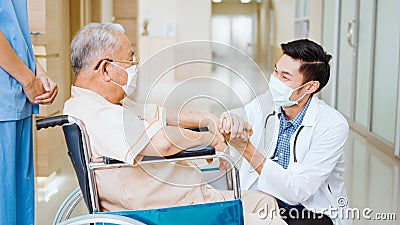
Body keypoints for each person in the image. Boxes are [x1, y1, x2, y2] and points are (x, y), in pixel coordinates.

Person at [64, 23, 286, 225]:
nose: (134, 67)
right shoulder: (93, 111)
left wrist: (210, 121)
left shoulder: (112, 103)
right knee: (269, 221)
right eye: (130, 60)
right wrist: (209, 138)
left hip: (189, 198)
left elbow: (163, 115)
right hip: (166, 212)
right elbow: (163, 143)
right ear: (105, 69)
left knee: (264, 202)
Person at [219, 39, 351, 225]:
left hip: (308, 210)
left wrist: (246, 149)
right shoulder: (267, 102)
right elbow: (241, 114)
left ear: (310, 87)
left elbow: (299, 191)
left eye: (285, 77)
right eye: (275, 71)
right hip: (264, 197)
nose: (275, 80)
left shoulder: (332, 125)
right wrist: (230, 120)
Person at [0, 1, 58, 224]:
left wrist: (37, 73)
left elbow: (16, 29)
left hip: (16, 97)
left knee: (18, 205)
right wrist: (27, 79)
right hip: (7, 96)